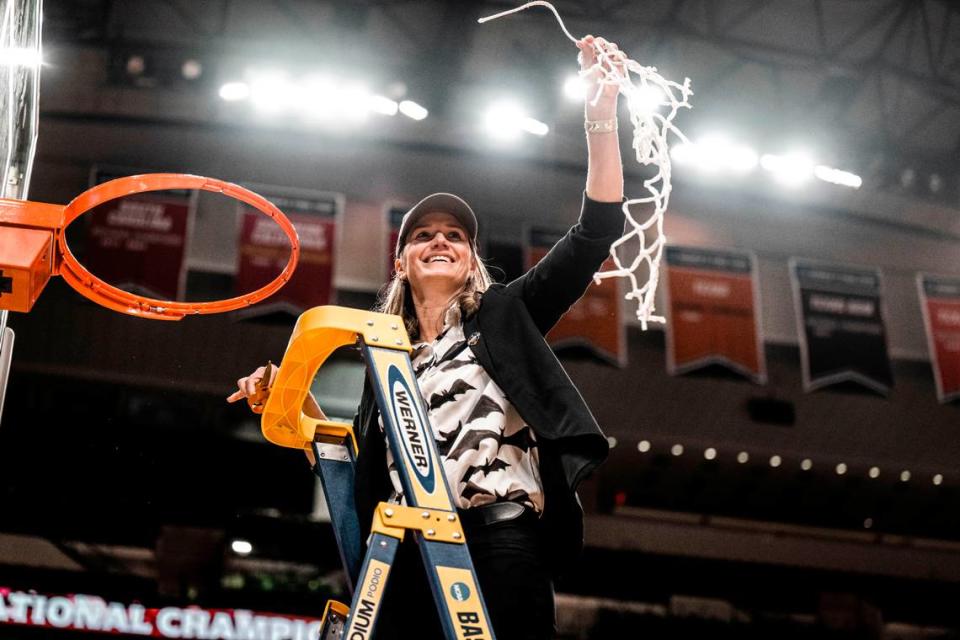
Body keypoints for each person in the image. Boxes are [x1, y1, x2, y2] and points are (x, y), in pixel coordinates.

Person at [229, 35, 626, 640]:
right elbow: (360, 464)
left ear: (470, 262)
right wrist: (285, 396)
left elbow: (597, 229)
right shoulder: (385, 356)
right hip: (407, 551)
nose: (440, 241)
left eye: (455, 236)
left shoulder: (506, 313)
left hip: (500, 538)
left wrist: (601, 113)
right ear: (401, 263)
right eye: (423, 236)